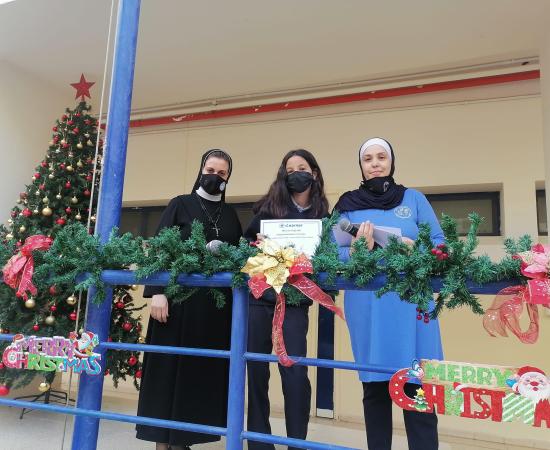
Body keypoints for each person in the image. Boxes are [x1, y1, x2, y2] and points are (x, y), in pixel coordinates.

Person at [334, 137, 443, 450]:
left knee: (417, 389)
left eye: (381, 157)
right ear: (361, 166)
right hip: (367, 307)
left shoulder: (414, 199)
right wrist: (354, 252)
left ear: (392, 162)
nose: (375, 164)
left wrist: (416, 249)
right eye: (368, 159)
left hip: (412, 306)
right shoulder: (346, 205)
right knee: (375, 391)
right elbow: (329, 253)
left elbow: (440, 244)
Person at [136, 149, 242, 450]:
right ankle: (162, 444)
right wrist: (157, 291)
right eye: (210, 170)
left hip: (214, 313)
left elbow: (238, 256)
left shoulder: (230, 214)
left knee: (199, 376)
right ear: (201, 171)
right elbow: (159, 249)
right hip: (175, 305)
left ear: (228, 178)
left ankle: (184, 442)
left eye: (221, 173)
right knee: (167, 373)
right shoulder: (180, 204)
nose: (214, 177)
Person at [244, 149, 329, 450]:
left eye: (302, 168)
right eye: (290, 170)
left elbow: (329, 255)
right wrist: (258, 245)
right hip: (260, 300)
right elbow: (246, 245)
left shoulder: (322, 215)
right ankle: (259, 443)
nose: (296, 174)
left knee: (294, 373)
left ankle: (297, 443)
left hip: (295, 302)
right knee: (256, 371)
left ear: (314, 173)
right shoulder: (268, 209)